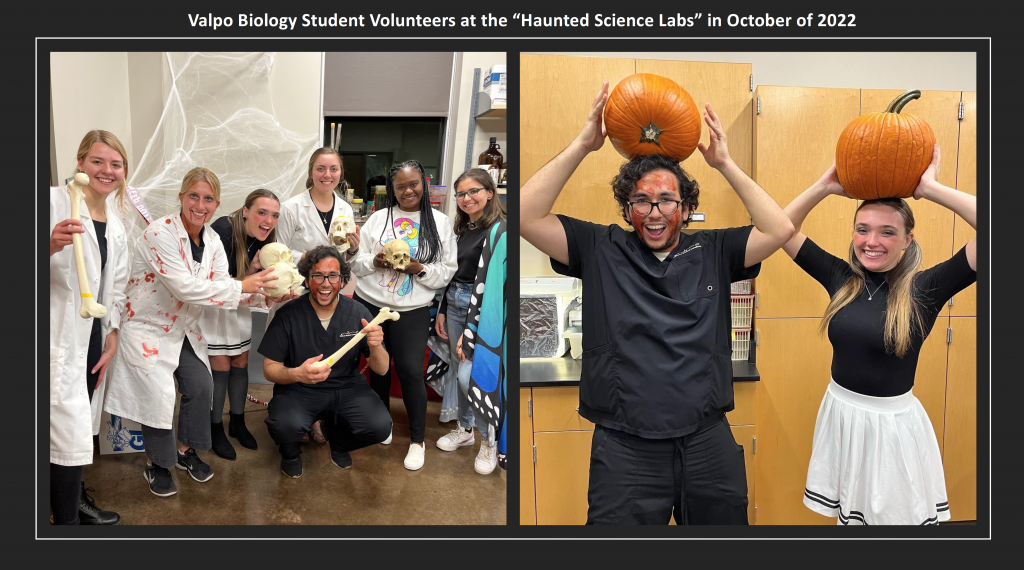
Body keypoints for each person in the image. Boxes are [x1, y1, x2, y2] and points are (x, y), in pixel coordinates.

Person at [519, 81, 796, 524]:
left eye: (667, 200)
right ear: (627, 209)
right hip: (625, 446)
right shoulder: (600, 247)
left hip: (707, 440)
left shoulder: (715, 250)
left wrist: (725, 163)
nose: (654, 212)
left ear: (686, 208)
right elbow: (526, 215)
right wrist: (583, 145)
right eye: (641, 201)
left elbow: (779, 230)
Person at [781, 146, 976, 525]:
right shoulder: (842, 279)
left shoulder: (926, 288)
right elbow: (778, 229)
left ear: (907, 240)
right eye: (863, 229)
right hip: (841, 414)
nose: (872, 241)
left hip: (891, 431)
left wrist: (930, 189)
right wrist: (823, 186)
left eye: (888, 232)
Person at [104, 167, 277, 498]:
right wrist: (245, 284)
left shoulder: (211, 240)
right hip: (148, 328)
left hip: (182, 328)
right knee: (158, 396)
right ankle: (158, 463)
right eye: (194, 196)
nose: (200, 205)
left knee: (201, 385)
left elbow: (219, 288)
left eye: (208, 199)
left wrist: (263, 295)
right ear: (181, 197)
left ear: (217, 204)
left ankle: (185, 451)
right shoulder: (160, 234)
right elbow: (186, 288)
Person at [351, 160, 457, 470]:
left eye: (413, 184)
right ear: (392, 189)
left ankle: (417, 440)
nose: (408, 190)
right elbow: (357, 263)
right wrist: (376, 263)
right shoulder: (377, 220)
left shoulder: (439, 222)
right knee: (378, 368)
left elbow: (446, 271)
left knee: (411, 371)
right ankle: (382, 424)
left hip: (412, 310)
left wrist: (419, 268)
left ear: (423, 183)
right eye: (400, 186)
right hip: (371, 303)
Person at [49, 130, 131, 524]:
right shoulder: (52, 202)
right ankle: (63, 523)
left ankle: (73, 505)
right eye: (97, 161)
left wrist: (112, 334)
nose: (106, 170)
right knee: (60, 432)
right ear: (80, 163)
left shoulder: (115, 224)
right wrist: (46, 245)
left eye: (116, 164)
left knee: (77, 429)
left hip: (94, 342)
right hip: (55, 339)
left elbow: (114, 287)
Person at [261, 246, 393, 477]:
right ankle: (290, 452)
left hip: (347, 388)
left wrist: (375, 345)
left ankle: (339, 443)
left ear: (342, 280)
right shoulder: (289, 314)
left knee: (380, 427)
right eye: (317, 275)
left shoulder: (357, 312)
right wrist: (298, 374)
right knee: (283, 425)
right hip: (299, 389)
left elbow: (381, 369)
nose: (325, 283)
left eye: (333, 276)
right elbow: (270, 369)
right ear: (306, 279)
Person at [200, 189, 296, 460]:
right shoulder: (223, 231)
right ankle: (215, 427)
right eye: (261, 212)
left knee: (240, 363)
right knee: (221, 366)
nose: (268, 220)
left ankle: (238, 422)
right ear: (245, 211)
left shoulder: (267, 239)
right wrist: (252, 272)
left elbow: (256, 282)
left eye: (274, 215)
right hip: (216, 309)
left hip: (239, 308)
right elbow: (216, 284)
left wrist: (281, 289)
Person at [275, 147, 360, 444]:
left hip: (327, 292)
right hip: (298, 289)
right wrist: (311, 257)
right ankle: (291, 416)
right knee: (295, 354)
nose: (327, 175)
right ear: (311, 171)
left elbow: (343, 258)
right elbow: (280, 252)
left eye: (334, 169)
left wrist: (352, 248)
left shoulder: (346, 209)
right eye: (321, 168)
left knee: (322, 352)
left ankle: (316, 420)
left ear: (341, 174)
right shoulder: (291, 207)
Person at [433, 168, 507, 475]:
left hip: (480, 309)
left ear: (490, 192)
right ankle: (465, 430)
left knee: (471, 375)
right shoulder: (463, 229)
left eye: (474, 191)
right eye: (461, 193)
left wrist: (471, 330)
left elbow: (492, 287)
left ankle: (489, 440)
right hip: (454, 303)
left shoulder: (500, 231)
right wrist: (441, 308)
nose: (467, 198)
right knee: (456, 368)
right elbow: (452, 272)